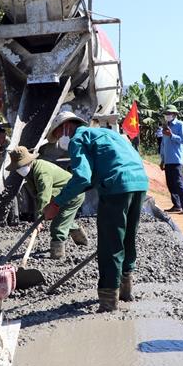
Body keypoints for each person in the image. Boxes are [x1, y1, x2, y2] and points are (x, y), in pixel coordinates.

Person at [43, 111, 149, 312]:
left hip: (117, 186)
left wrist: (56, 204)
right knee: (127, 238)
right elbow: (93, 177)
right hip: (139, 183)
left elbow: (82, 177)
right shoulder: (108, 135)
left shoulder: (78, 138)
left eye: (57, 135)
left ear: (66, 127)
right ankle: (126, 291)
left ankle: (109, 301)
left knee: (110, 244)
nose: (59, 140)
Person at [7, 146, 87, 259]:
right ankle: (81, 240)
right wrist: (40, 216)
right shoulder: (30, 174)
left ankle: (57, 255)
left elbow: (44, 195)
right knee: (62, 219)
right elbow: (37, 196)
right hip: (60, 196)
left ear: (29, 162)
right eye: (18, 167)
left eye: (21, 166)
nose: (19, 169)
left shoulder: (41, 171)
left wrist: (39, 218)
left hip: (73, 195)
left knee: (57, 226)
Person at [159, 105, 183, 214]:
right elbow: (163, 144)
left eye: (169, 113)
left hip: (176, 159)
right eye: (166, 114)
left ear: (174, 114)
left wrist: (172, 135)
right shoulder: (165, 126)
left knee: (178, 183)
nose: (167, 115)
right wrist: (162, 159)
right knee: (170, 183)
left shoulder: (180, 125)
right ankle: (176, 205)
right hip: (167, 160)